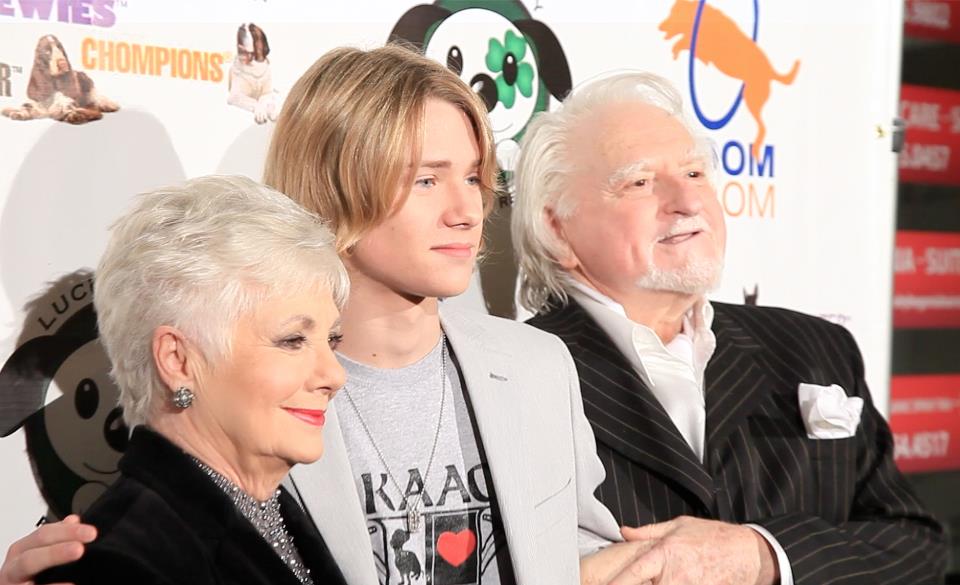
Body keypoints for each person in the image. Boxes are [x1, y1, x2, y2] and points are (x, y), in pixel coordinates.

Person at [2, 46, 620, 585]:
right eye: (427, 181)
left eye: (474, 177)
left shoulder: (538, 368)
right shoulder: (244, 394)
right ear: (335, 183)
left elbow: (577, 555)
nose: (468, 210)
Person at [511, 71, 948, 584]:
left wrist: (764, 556)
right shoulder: (509, 379)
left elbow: (918, 551)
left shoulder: (816, 348)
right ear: (557, 227)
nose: (688, 202)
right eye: (640, 182)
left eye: (695, 174)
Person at [30, 175, 350, 584]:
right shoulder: (120, 565)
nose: (334, 375)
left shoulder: (272, 516)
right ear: (177, 360)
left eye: (332, 340)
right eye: (292, 340)